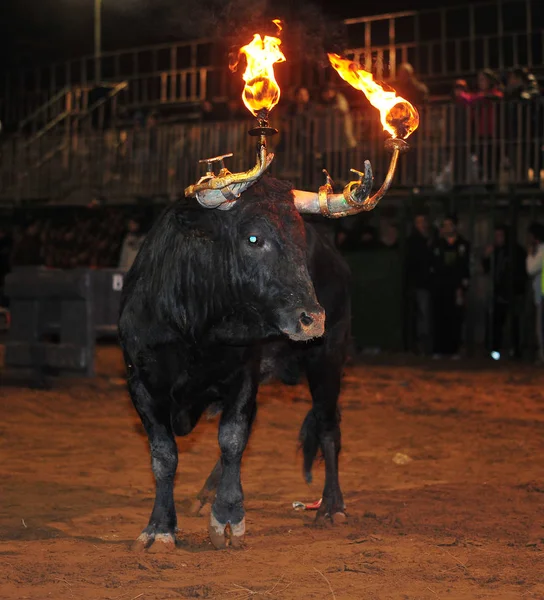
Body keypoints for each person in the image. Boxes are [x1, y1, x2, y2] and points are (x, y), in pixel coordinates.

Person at [482, 224, 526, 359]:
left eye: (500, 236)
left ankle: (515, 351)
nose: (497, 239)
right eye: (496, 236)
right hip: (499, 291)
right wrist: (486, 257)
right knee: (495, 322)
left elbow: (521, 272)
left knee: (514, 323)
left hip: (514, 292)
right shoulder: (496, 251)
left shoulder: (517, 251)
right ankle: (494, 351)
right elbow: (488, 269)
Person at [430, 215, 471, 359]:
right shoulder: (437, 244)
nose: (447, 228)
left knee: (455, 319)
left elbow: (465, 268)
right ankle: (439, 349)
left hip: (456, 289)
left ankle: (454, 349)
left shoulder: (463, 244)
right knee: (439, 318)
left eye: (449, 225)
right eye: (444, 225)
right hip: (440, 288)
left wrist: (462, 287)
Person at [406, 212, 434, 355]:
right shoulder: (415, 241)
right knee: (422, 314)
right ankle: (421, 344)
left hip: (429, 284)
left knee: (426, 314)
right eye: (419, 222)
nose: (422, 225)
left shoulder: (431, 239)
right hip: (420, 284)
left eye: (423, 221)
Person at [526, 223, 544, 363]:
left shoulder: (542, 251)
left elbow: (531, 269)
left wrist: (530, 255)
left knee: (541, 329)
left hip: (542, 294)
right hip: (541, 293)